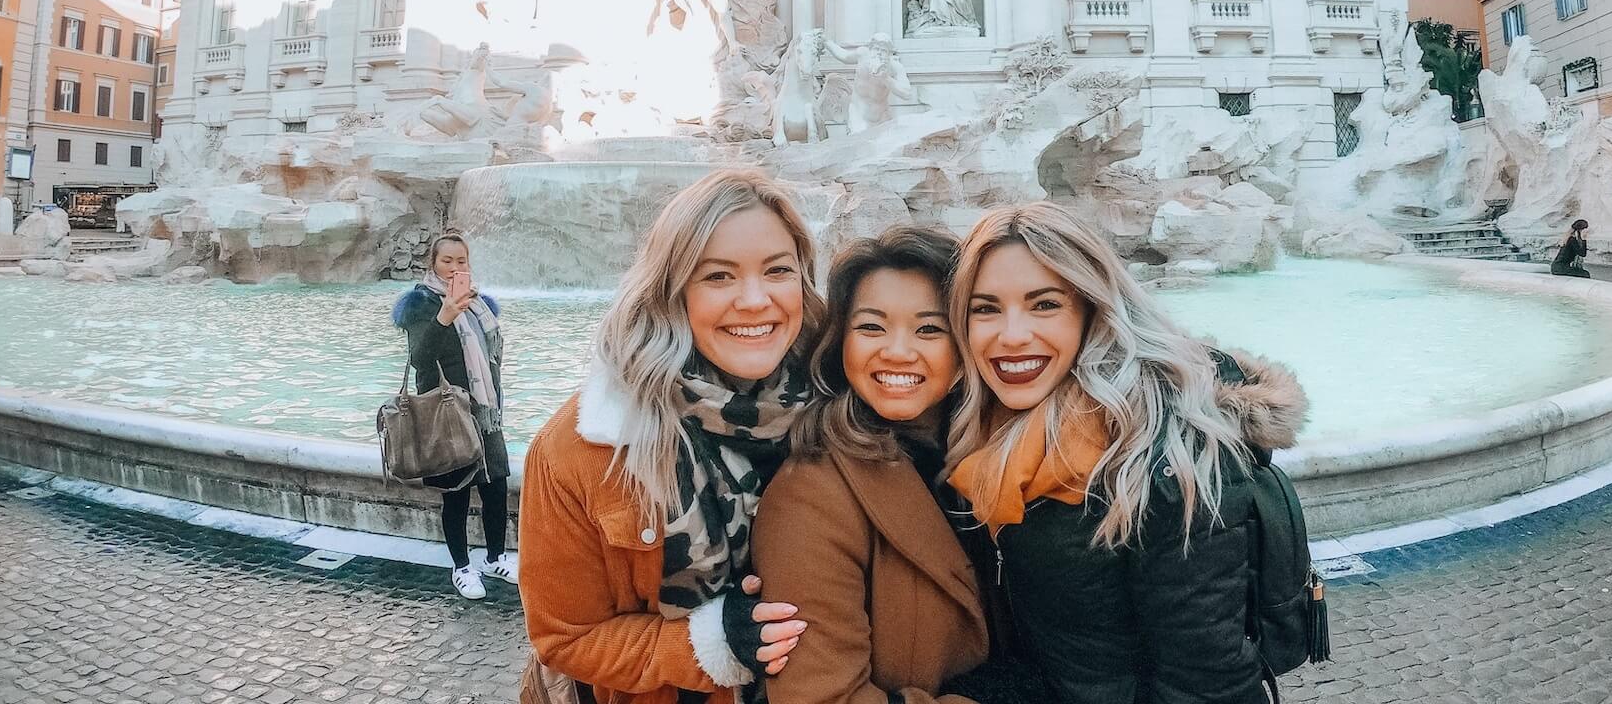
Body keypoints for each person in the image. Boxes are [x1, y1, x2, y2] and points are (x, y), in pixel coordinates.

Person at [945, 202, 1307, 704]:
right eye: (985, 308)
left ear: (1093, 309)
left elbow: (1210, 684)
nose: (1011, 335)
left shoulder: (1168, 456)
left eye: (1045, 304)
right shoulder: (994, 429)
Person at [518, 168, 822, 704]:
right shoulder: (580, 448)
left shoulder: (838, 410)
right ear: (672, 290)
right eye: (718, 277)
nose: (755, 300)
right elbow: (566, 637)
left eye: (777, 270)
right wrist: (713, 644)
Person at [754, 226, 999, 704]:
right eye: (871, 327)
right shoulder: (809, 494)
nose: (898, 351)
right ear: (839, 341)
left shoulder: (998, 457)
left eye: (929, 329)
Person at [393, 231, 516, 599]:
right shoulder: (420, 305)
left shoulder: (479, 305)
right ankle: (462, 567)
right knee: (456, 494)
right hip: (448, 413)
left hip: (484, 411)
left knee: (495, 488)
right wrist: (444, 316)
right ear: (433, 263)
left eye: (461, 261)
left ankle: (495, 557)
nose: (454, 267)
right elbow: (419, 358)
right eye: (447, 261)